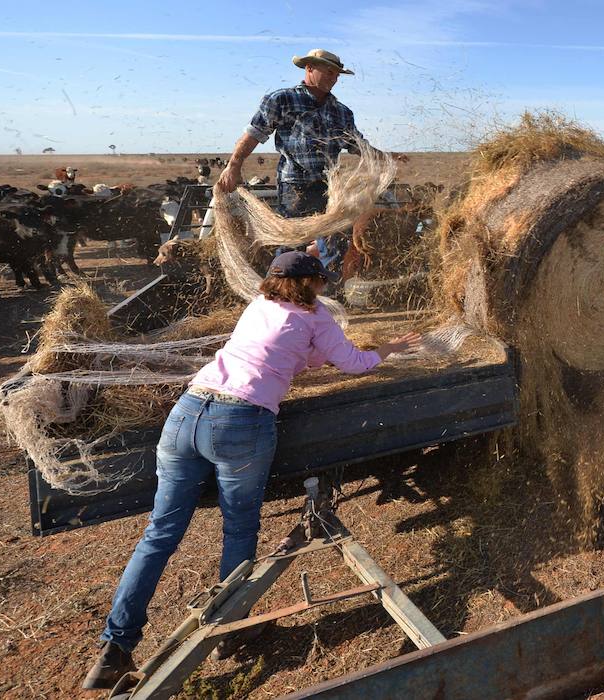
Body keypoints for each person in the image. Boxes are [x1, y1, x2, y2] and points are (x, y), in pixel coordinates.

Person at [81, 251, 421, 690]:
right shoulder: (316, 317)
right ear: (312, 283)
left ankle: (114, 647)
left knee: (159, 534)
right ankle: (231, 628)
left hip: (187, 412)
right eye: (321, 281)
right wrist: (386, 350)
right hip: (240, 421)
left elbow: (296, 356)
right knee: (239, 529)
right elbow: (352, 363)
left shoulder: (258, 307)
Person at [216, 49, 408, 273]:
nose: (333, 78)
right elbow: (254, 133)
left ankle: (325, 299)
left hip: (332, 190)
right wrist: (233, 165)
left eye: (336, 74)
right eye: (328, 72)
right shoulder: (282, 100)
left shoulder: (342, 112)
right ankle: (278, 296)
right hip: (295, 186)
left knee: (333, 245)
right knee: (292, 244)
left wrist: (385, 157)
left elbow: (358, 146)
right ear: (309, 68)